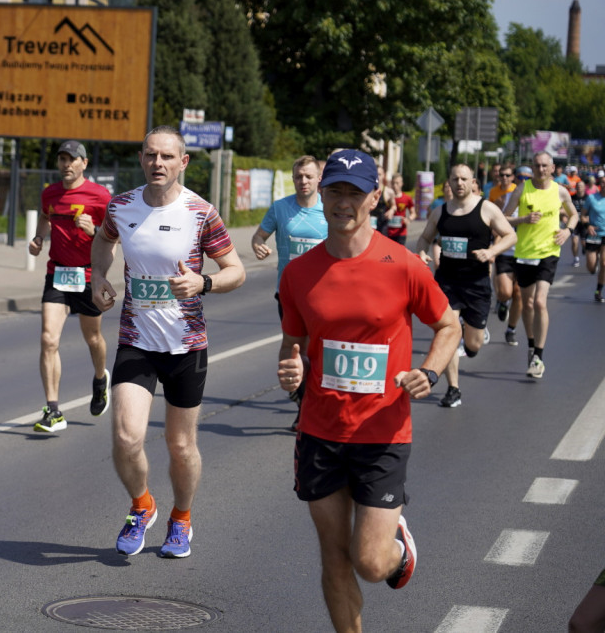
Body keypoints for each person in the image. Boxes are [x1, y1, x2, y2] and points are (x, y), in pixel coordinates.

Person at [276, 148, 459, 633]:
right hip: (319, 431)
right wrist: (290, 368)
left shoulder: (402, 265)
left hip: (383, 432)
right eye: (334, 191)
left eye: (353, 193)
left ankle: (398, 548)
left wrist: (430, 373)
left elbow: (448, 326)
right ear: (322, 195)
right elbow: (292, 343)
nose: (342, 202)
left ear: (374, 198)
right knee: (334, 557)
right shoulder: (299, 274)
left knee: (371, 563)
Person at [90, 126, 245, 559]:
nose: (157, 163)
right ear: (141, 158)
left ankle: (181, 517)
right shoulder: (121, 206)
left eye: (167, 157)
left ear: (183, 163)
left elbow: (236, 269)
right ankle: (142, 505)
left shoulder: (201, 212)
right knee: (125, 436)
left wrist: (204, 281)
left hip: (186, 345)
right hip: (136, 340)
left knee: (180, 447)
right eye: (150, 155)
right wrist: (99, 277)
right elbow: (103, 242)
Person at [414, 165, 516, 408]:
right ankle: (453, 388)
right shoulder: (441, 212)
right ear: (448, 182)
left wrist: (491, 251)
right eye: (454, 179)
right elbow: (425, 237)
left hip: (476, 284)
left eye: (464, 179)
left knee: (473, 344)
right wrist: (421, 252)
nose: (459, 183)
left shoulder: (486, 208)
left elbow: (511, 235)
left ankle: (471, 342)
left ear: (473, 182)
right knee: (447, 332)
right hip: (447, 282)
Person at [28, 140, 112, 433]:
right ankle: (53, 411)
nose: (66, 164)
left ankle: (101, 378)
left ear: (83, 164)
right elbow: (45, 216)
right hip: (57, 275)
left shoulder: (100, 196)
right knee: (48, 339)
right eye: (62, 159)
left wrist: (96, 231)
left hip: (89, 276)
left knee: (93, 340)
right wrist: (39, 238)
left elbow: (116, 236)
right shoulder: (50, 193)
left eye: (72, 159)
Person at [250, 155, 326, 429]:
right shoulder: (281, 208)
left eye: (308, 176)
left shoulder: (328, 209)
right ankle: (303, 401)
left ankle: (311, 404)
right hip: (289, 293)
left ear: (319, 178)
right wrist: (258, 245)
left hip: (324, 294)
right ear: (293, 179)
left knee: (318, 350)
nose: (303, 181)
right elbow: (259, 235)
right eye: (298, 176)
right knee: (296, 348)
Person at [502, 151, 580, 379]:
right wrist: (523, 220)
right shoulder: (522, 189)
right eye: (537, 166)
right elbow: (504, 218)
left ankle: (539, 356)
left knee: (539, 302)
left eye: (545, 166)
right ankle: (531, 344)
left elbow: (573, 215)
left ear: (553, 167)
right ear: (532, 168)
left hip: (549, 252)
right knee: (526, 304)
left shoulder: (560, 191)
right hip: (525, 253)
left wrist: (567, 231)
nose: (541, 169)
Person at [495, 165, 530, 345]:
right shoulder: (505, 198)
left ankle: (511, 329)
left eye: (527, 178)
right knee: (505, 291)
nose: (523, 181)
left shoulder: (536, 199)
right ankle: (502, 302)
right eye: (520, 177)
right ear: (515, 179)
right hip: (507, 251)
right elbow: (498, 222)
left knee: (519, 293)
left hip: (526, 252)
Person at [581, 182, 605, 302]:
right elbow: (583, 215)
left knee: (604, 264)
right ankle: (594, 266)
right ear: (601, 185)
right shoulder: (592, 198)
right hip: (594, 235)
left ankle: (598, 290)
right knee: (591, 268)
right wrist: (588, 225)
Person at [386, 172, 415, 246]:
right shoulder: (387, 198)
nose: (395, 185)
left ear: (402, 184)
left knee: (399, 255)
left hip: (401, 232)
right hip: (387, 232)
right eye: (393, 183)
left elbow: (413, 213)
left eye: (397, 183)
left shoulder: (407, 198)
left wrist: (408, 219)